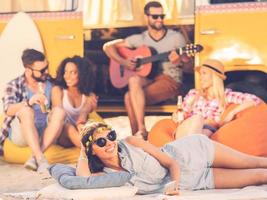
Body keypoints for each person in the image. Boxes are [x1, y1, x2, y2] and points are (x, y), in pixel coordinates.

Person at [74, 120, 267, 195]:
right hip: (195, 180)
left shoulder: (131, 142)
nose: (109, 143)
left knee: (256, 162)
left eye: (111, 136)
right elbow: (84, 179)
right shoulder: (106, 175)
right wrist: (82, 151)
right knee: (259, 176)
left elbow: (170, 161)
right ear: (92, 151)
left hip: (192, 153)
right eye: (100, 142)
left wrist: (173, 185)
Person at [103, 1, 191, 138]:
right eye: (155, 17)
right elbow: (108, 47)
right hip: (150, 78)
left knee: (129, 97)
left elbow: (189, 67)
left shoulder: (176, 38)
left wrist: (179, 61)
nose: (159, 20)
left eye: (162, 16)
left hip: (169, 80)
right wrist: (124, 62)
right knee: (133, 82)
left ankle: (139, 135)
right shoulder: (140, 39)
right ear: (147, 17)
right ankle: (141, 131)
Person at [0, 49, 66, 173]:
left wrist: (48, 104)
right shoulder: (14, 85)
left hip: (47, 132)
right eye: (41, 70)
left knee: (59, 112)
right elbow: (8, 110)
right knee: (25, 111)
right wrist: (29, 102)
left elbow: (58, 111)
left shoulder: (51, 84)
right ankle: (40, 158)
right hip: (22, 132)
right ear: (28, 71)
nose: (46, 72)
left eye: (47, 67)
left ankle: (35, 157)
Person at [173, 59, 261, 138]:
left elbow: (254, 100)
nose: (201, 77)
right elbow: (182, 113)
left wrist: (232, 113)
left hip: (207, 130)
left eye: (204, 73)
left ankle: (186, 148)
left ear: (214, 76)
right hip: (188, 126)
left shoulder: (226, 96)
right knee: (197, 119)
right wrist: (176, 116)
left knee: (203, 135)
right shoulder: (194, 93)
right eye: (200, 74)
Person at [53, 55, 98, 147]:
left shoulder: (88, 96)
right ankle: (93, 151)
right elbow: (57, 118)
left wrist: (81, 124)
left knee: (91, 125)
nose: (67, 76)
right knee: (68, 127)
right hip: (61, 134)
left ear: (82, 74)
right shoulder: (58, 90)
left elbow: (84, 117)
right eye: (65, 72)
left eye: (73, 72)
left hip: (80, 132)